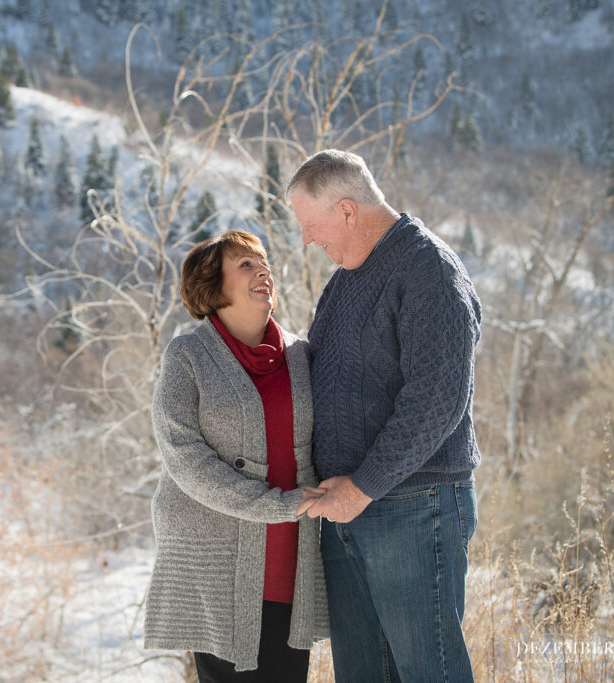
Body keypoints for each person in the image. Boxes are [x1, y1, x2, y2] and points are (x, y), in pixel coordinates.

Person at [288, 149, 482, 682]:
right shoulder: (349, 276)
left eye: (311, 224)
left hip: (412, 508)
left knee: (428, 673)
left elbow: (437, 397)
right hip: (350, 509)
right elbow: (324, 366)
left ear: (347, 210)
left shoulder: (428, 271)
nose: (307, 239)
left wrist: (363, 486)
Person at [143, 230, 329, 681]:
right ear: (213, 286)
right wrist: (273, 505)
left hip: (291, 553)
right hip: (215, 560)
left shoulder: (301, 356)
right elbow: (184, 457)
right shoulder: (186, 356)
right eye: (245, 264)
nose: (263, 270)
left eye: (263, 262)